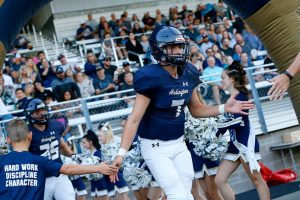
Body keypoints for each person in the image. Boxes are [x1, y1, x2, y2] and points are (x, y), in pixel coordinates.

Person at [110, 25, 254, 200]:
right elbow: (134, 119)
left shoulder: (188, 72)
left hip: (179, 144)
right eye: (172, 47)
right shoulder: (150, 77)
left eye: (179, 46)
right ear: (158, 50)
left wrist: (225, 108)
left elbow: (197, 110)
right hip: (156, 147)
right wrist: (121, 153)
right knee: (177, 194)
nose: (178, 51)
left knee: (187, 193)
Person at [0, 118, 118, 200]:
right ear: (30, 135)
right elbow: (68, 169)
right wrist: (98, 167)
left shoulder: (2, 161)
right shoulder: (39, 161)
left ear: (8, 140)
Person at [215, 61, 270, 200]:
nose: (221, 80)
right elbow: (228, 123)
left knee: (257, 180)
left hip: (245, 143)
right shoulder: (229, 98)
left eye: (223, 78)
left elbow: (237, 122)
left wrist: (217, 128)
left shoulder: (241, 97)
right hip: (234, 144)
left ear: (232, 80)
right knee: (219, 180)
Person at [23, 98, 79, 200]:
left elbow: (61, 145)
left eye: (43, 110)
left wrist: (73, 155)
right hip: (40, 179)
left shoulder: (55, 125)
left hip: (59, 175)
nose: (41, 114)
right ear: (29, 114)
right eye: (37, 112)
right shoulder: (26, 132)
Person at [82, 131, 109, 200]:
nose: (83, 145)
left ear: (90, 142)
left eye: (84, 143)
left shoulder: (98, 153)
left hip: (101, 182)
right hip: (93, 183)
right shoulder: (88, 154)